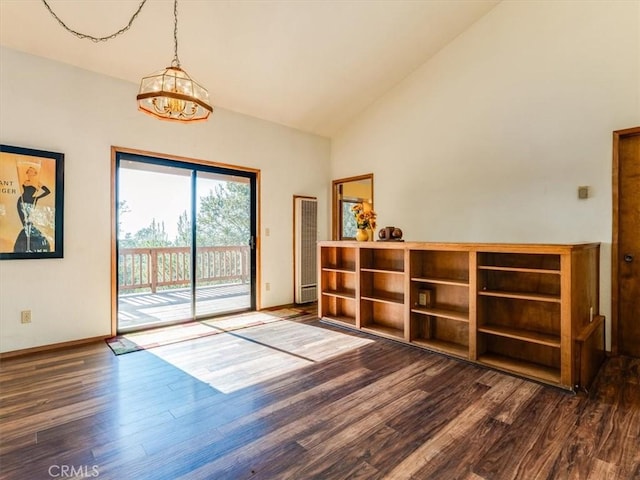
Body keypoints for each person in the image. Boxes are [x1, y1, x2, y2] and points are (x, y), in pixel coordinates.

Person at [14, 166, 51, 252]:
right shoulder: (25, 181)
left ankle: (30, 245)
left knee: (29, 221)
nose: (29, 173)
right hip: (21, 201)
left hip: (30, 202)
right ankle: (26, 245)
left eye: (32, 171)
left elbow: (48, 191)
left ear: (34, 173)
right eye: (29, 171)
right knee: (24, 222)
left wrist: (37, 198)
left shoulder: (38, 183)